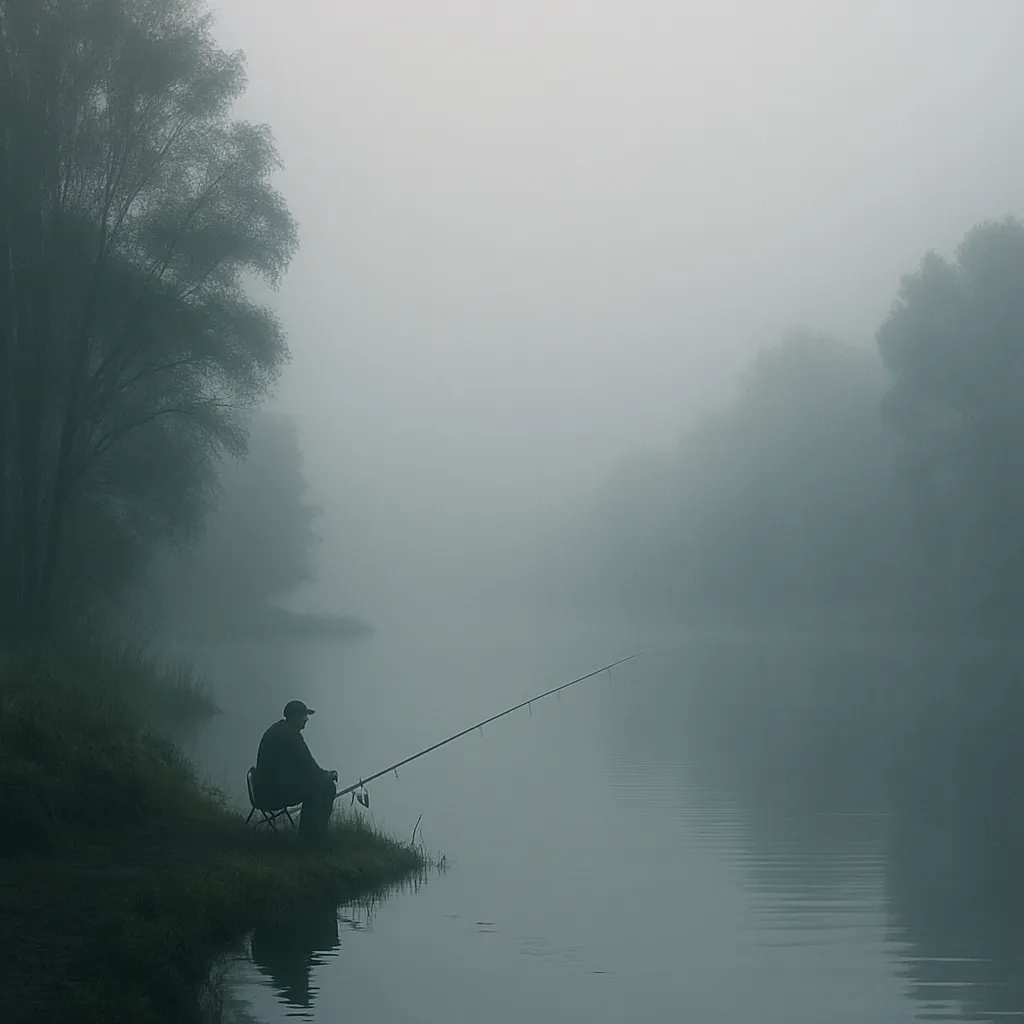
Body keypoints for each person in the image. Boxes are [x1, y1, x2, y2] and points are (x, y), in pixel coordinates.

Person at [255, 700, 338, 842]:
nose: (306, 719)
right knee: (326, 787)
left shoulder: (279, 729)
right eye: (303, 715)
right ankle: (310, 839)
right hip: (272, 794)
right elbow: (309, 766)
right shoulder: (291, 737)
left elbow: (302, 767)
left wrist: (321, 775)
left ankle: (310, 836)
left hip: (264, 788)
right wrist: (327, 775)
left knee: (318, 784)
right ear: (294, 717)